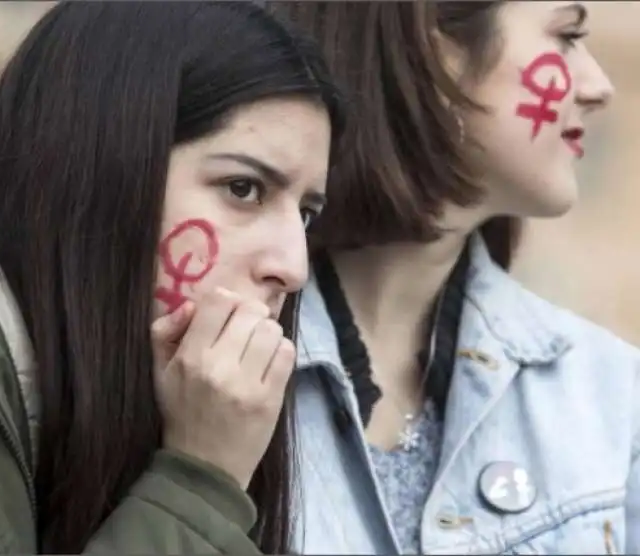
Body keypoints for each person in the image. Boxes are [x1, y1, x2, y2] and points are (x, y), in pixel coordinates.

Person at [0, 2, 344, 553]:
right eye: (243, 188)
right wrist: (201, 479)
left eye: (306, 213)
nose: (292, 267)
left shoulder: (150, 371)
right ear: (104, 163)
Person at [268, 1, 638, 554]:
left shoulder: (607, 394)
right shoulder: (207, 369)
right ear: (431, 51)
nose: (598, 85)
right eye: (566, 35)